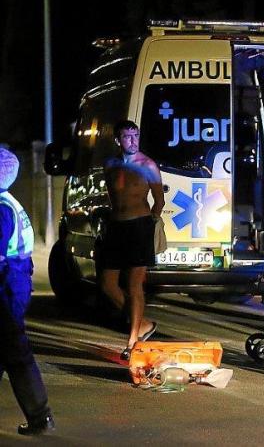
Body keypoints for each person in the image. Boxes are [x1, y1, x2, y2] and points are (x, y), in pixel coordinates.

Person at [0, 148, 55, 435]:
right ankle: (39, 417)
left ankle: (40, 417)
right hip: (15, 282)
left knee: (16, 352)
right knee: (9, 349)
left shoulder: (1, 209)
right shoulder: (10, 202)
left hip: (6, 286)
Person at [100, 120, 164, 360]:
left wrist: (151, 224)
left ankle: (133, 340)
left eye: (136, 136)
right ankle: (143, 323)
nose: (133, 141)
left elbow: (159, 200)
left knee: (133, 285)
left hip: (139, 226)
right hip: (116, 226)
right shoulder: (110, 164)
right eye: (127, 137)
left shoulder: (148, 165)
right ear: (118, 140)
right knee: (107, 284)